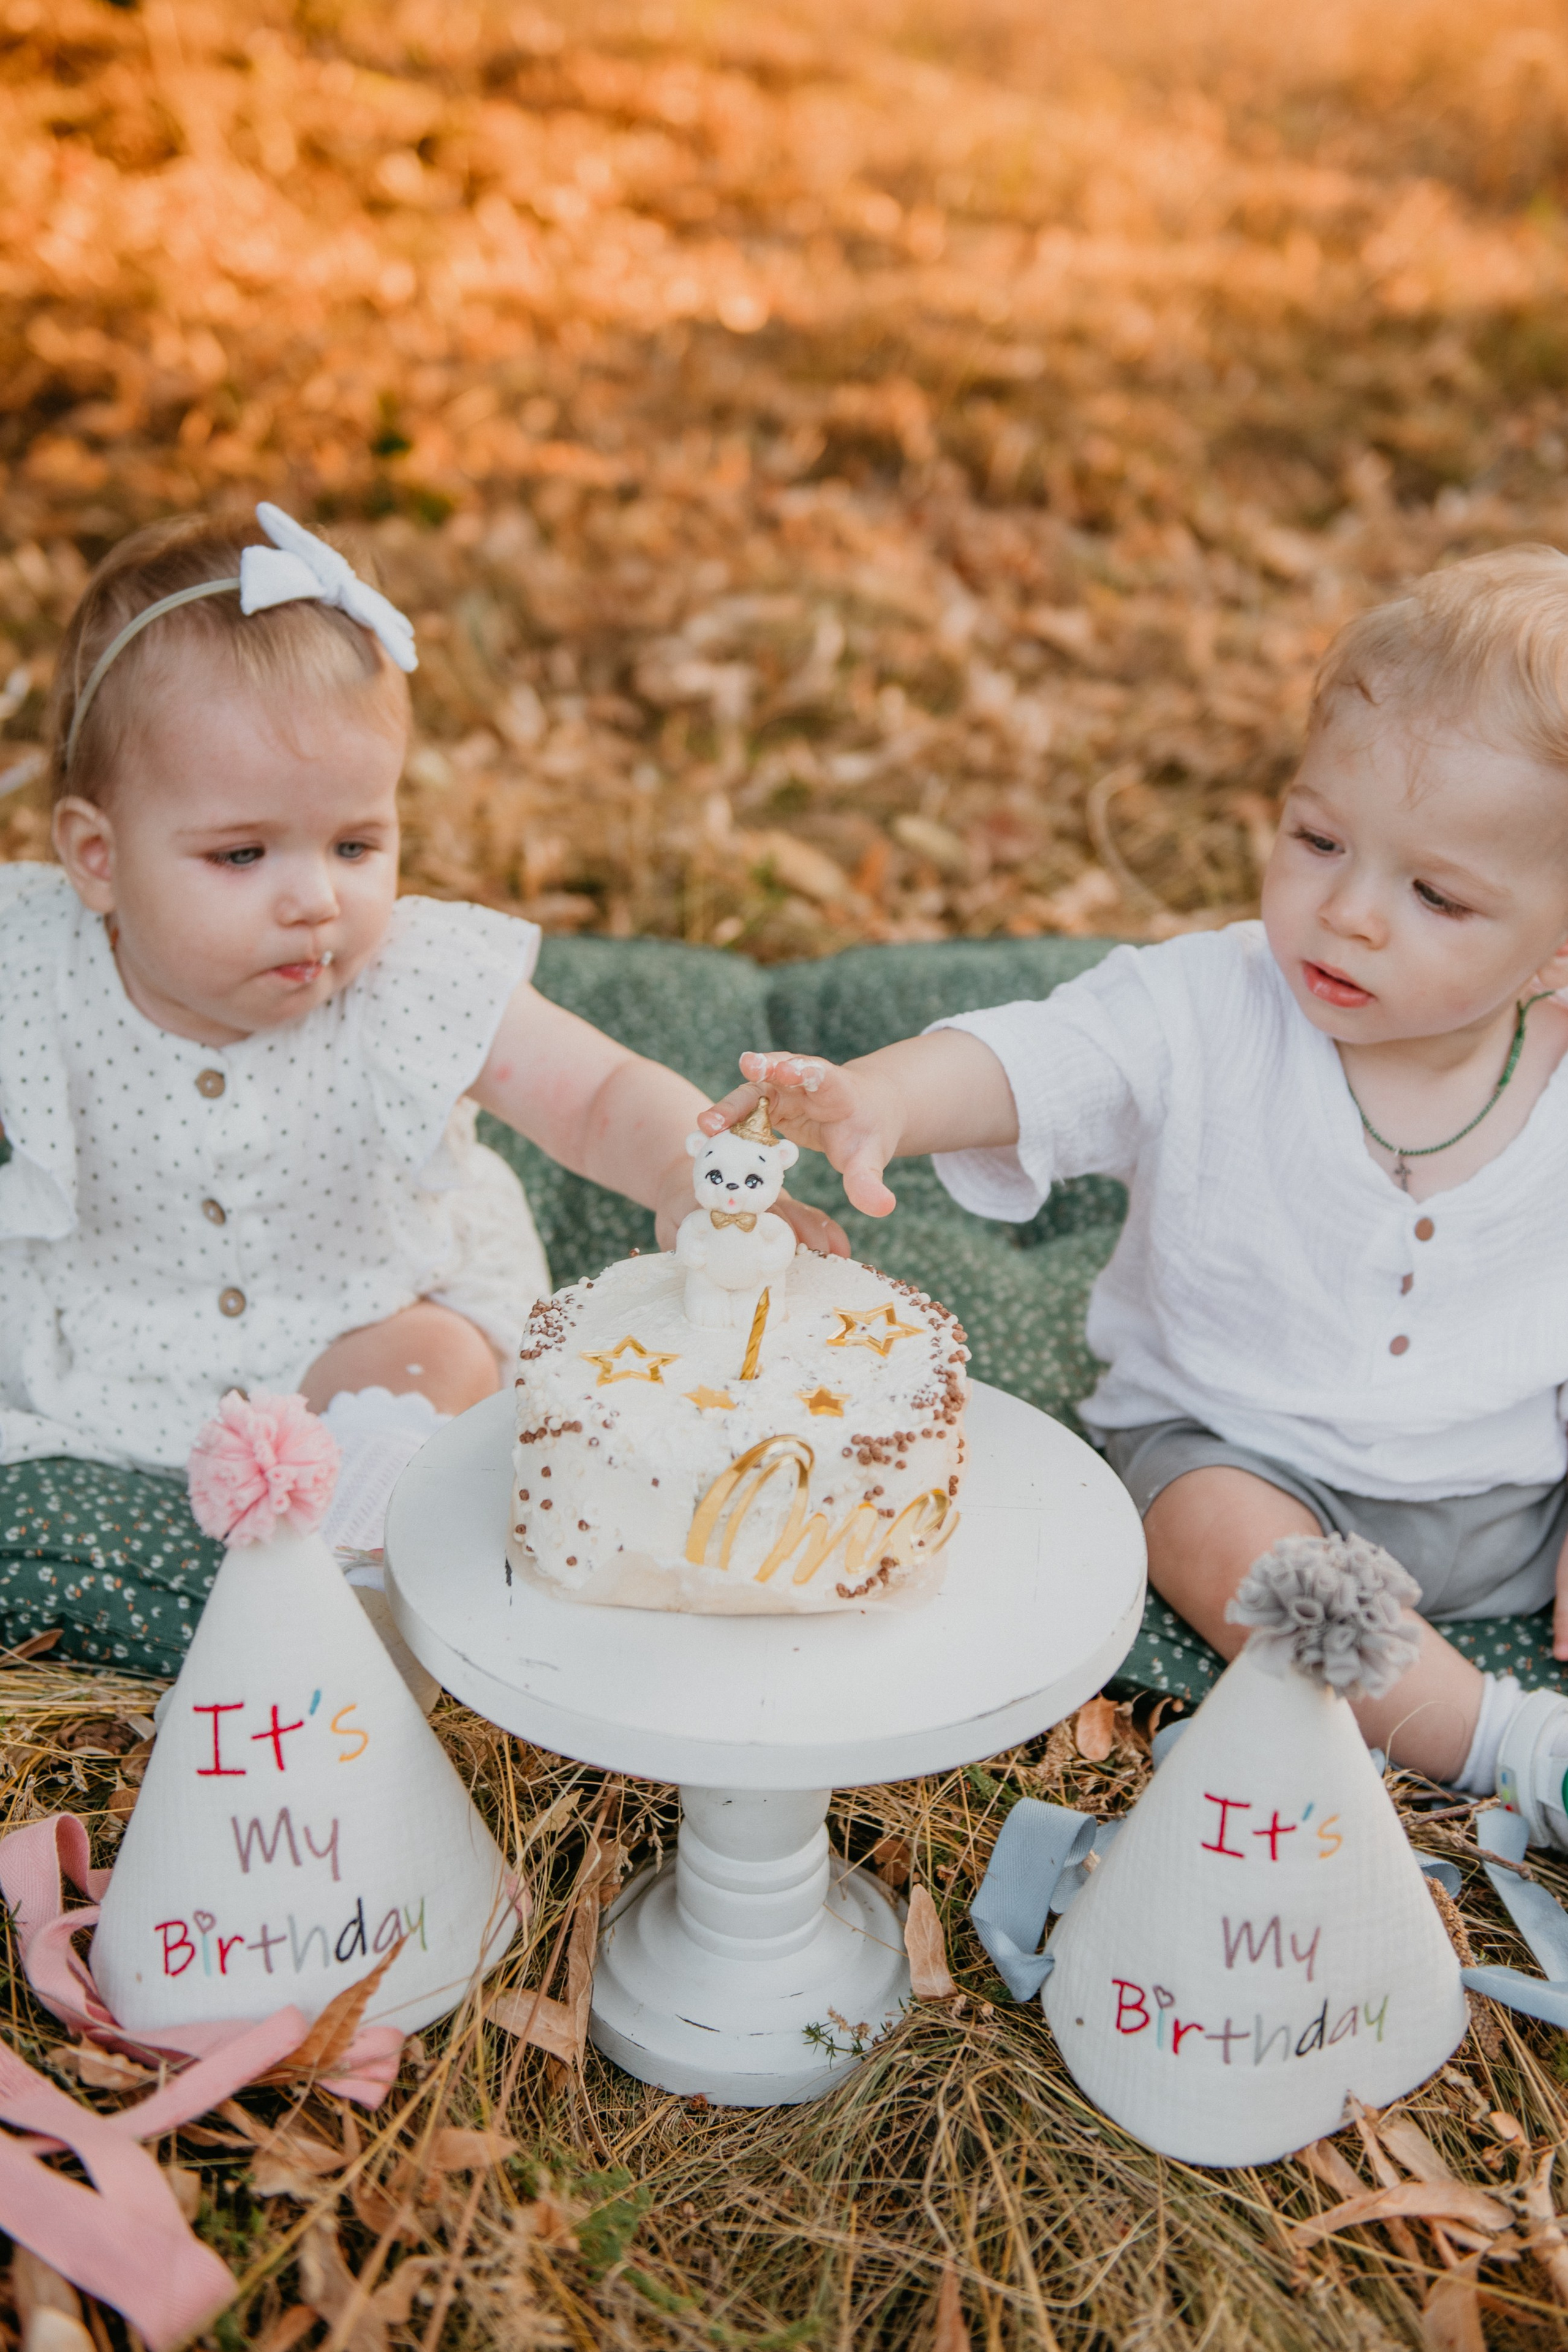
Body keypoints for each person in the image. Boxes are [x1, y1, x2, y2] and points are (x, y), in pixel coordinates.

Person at [704, 545, 1568, 1851]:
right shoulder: (1209, 1009)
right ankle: (1506, 1745)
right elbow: (1042, 1059)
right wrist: (882, 1096)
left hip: (1514, 1484)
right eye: (1315, 839)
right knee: (1233, 1553)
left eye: (1434, 894)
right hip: (1237, 1445)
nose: (1343, 914)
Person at [0, 504, 844, 1667]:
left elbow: (594, 1095)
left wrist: (684, 1177)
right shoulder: (31, 958)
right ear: (97, 858)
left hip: (361, 1310)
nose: (317, 900)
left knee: (437, 1362)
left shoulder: (409, 975)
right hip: (109, 1322)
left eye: (355, 845)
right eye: (243, 855)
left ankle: (358, 1599)